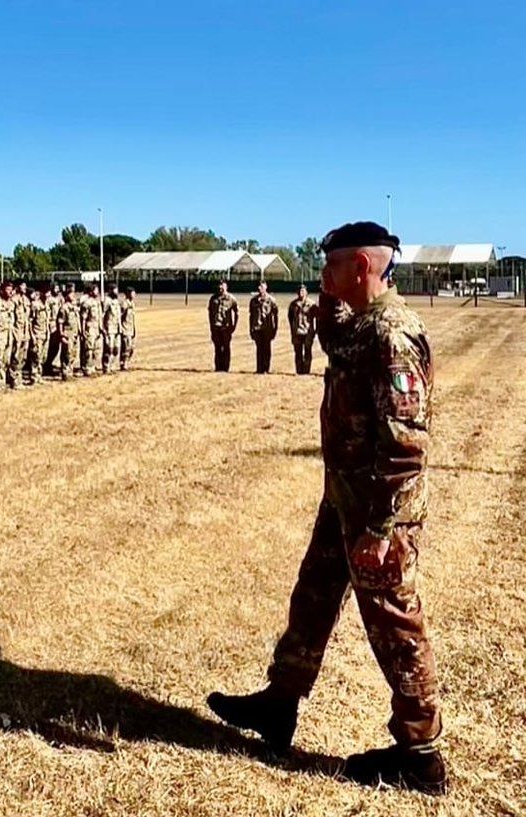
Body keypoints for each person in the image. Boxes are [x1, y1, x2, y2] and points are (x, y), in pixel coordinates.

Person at [207, 221, 447, 795]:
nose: (323, 277)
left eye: (332, 266)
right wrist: (324, 304)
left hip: (376, 510)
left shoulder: (393, 333)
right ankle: (280, 702)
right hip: (344, 496)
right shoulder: (361, 325)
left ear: (361, 267)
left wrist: (384, 525)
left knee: (395, 623)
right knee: (312, 597)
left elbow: (406, 440)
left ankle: (421, 754)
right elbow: (337, 344)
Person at [248, 280, 279, 374]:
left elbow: (275, 315)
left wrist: (274, 329)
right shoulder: (253, 301)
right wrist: (251, 329)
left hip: (267, 328)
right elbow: (251, 315)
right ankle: (259, 368)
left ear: (266, 287)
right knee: (259, 349)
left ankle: (266, 368)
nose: (259, 288)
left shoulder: (271, 300)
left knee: (266, 349)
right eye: (258, 286)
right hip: (257, 327)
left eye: (261, 286)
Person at [207, 280, 239, 372]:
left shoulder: (231, 299)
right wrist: (211, 326)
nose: (220, 288)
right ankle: (218, 367)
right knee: (217, 348)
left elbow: (237, 312)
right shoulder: (213, 298)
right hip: (216, 326)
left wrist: (234, 325)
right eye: (219, 286)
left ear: (226, 287)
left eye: (222, 286)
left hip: (226, 327)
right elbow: (210, 313)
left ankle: (225, 367)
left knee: (226, 347)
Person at [288, 284, 318, 375]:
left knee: (307, 351)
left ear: (306, 292)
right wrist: (292, 329)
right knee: (298, 352)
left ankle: (306, 370)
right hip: (297, 331)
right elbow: (290, 317)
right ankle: (299, 370)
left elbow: (317, 317)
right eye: (299, 291)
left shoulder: (312, 305)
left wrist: (315, 330)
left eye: (303, 291)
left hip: (308, 331)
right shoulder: (293, 305)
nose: (301, 293)